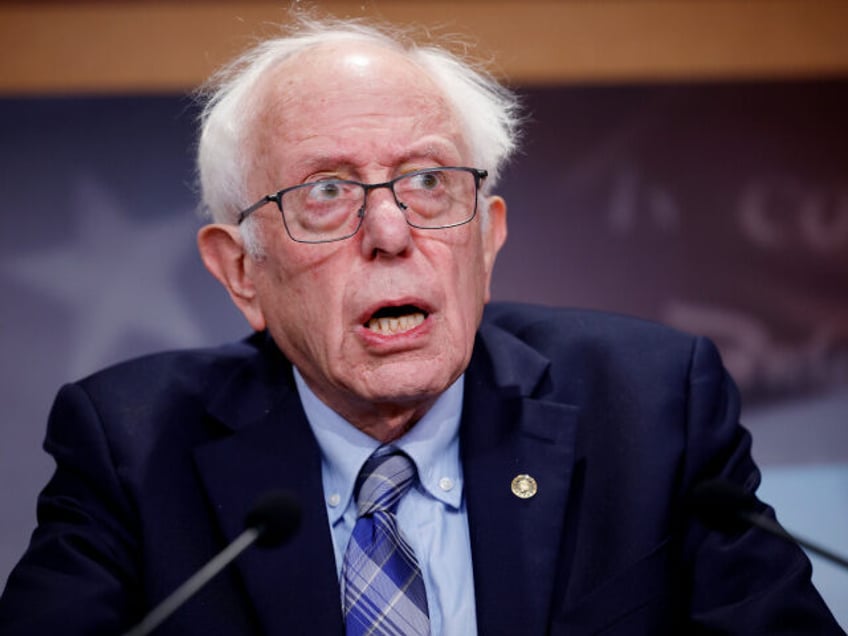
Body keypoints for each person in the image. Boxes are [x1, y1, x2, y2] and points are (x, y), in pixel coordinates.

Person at [0, 15, 843, 636]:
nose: (392, 234)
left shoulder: (653, 408)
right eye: (326, 193)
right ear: (240, 272)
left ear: (488, 235)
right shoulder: (131, 449)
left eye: (430, 181)